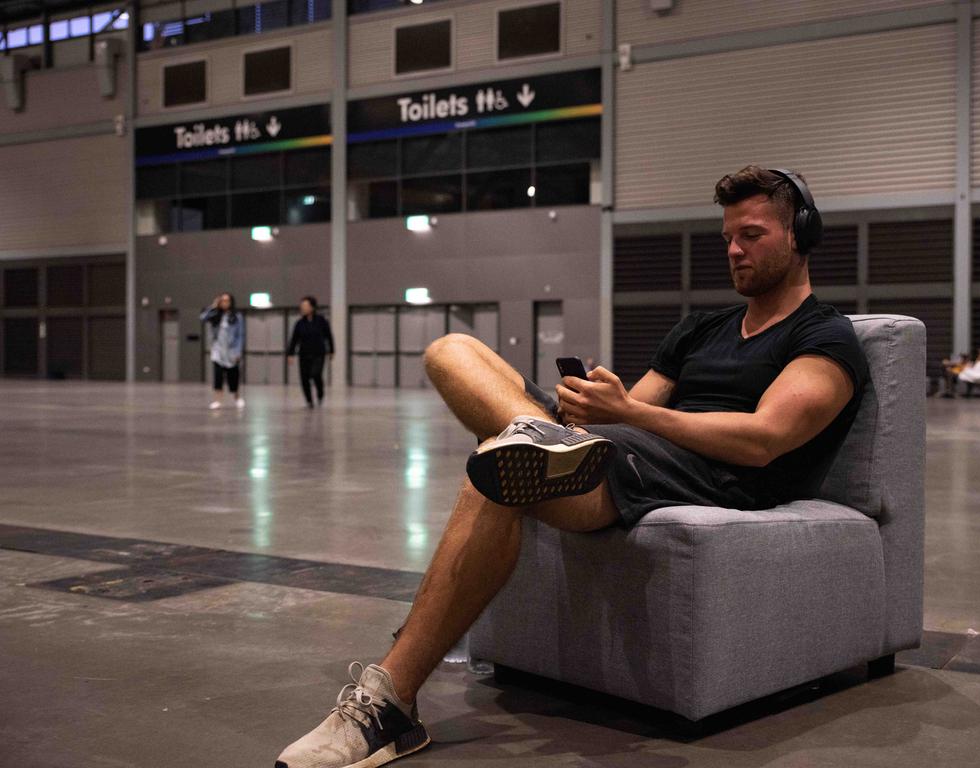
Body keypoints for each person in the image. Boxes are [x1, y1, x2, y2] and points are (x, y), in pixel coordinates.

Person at [274, 166, 869, 768]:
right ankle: (545, 441)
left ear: (801, 234)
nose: (735, 250)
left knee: (498, 464)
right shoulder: (702, 328)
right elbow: (640, 408)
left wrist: (629, 413)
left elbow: (764, 440)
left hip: (705, 477)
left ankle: (389, 705)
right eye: (727, 238)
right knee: (450, 352)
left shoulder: (825, 337)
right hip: (623, 453)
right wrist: (594, 409)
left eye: (752, 234)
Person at [287, 296, 335, 408]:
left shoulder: (321, 321)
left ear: (312, 307)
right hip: (304, 354)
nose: (302, 308)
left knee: (316, 374)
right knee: (304, 378)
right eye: (301, 306)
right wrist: (290, 354)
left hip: (319, 353)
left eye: (305, 306)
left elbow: (329, 336)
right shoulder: (299, 323)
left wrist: (332, 350)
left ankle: (320, 394)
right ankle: (309, 401)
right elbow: (294, 339)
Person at [200, 292, 245, 410]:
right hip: (218, 351)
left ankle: (237, 397)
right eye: (222, 300)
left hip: (231, 351)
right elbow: (203, 317)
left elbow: (240, 335)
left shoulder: (237, 316)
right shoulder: (215, 314)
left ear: (231, 302)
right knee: (218, 376)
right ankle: (217, 400)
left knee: (233, 377)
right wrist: (213, 306)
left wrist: (238, 352)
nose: (225, 303)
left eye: (227, 300)